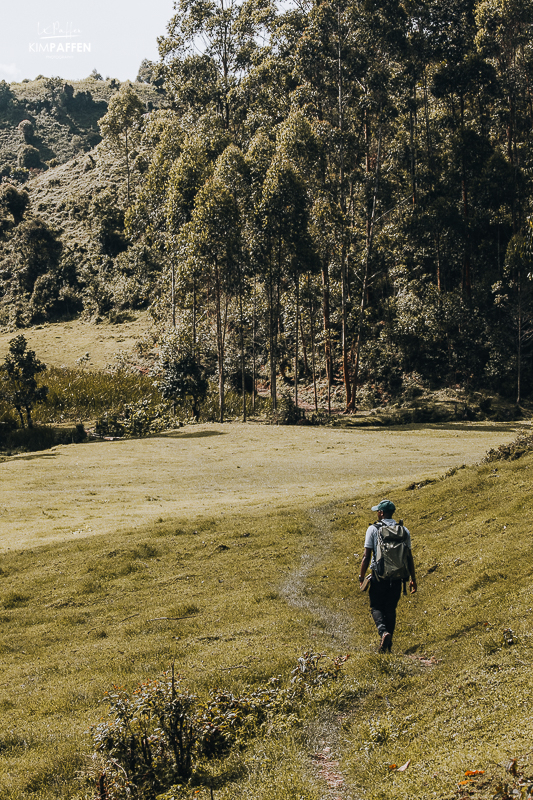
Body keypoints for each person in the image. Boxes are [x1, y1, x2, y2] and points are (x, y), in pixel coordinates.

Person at [358, 499, 417, 653]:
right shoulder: (404, 530)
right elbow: (409, 557)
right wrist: (413, 579)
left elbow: (366, 556)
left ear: (382, 513)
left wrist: (361, 576)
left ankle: (383, 632)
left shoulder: (373, 529)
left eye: (378, 511)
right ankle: (388, 647)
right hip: (398, 577)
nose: (377, 513)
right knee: (391, 609)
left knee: (376, 606)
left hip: (379, 576)